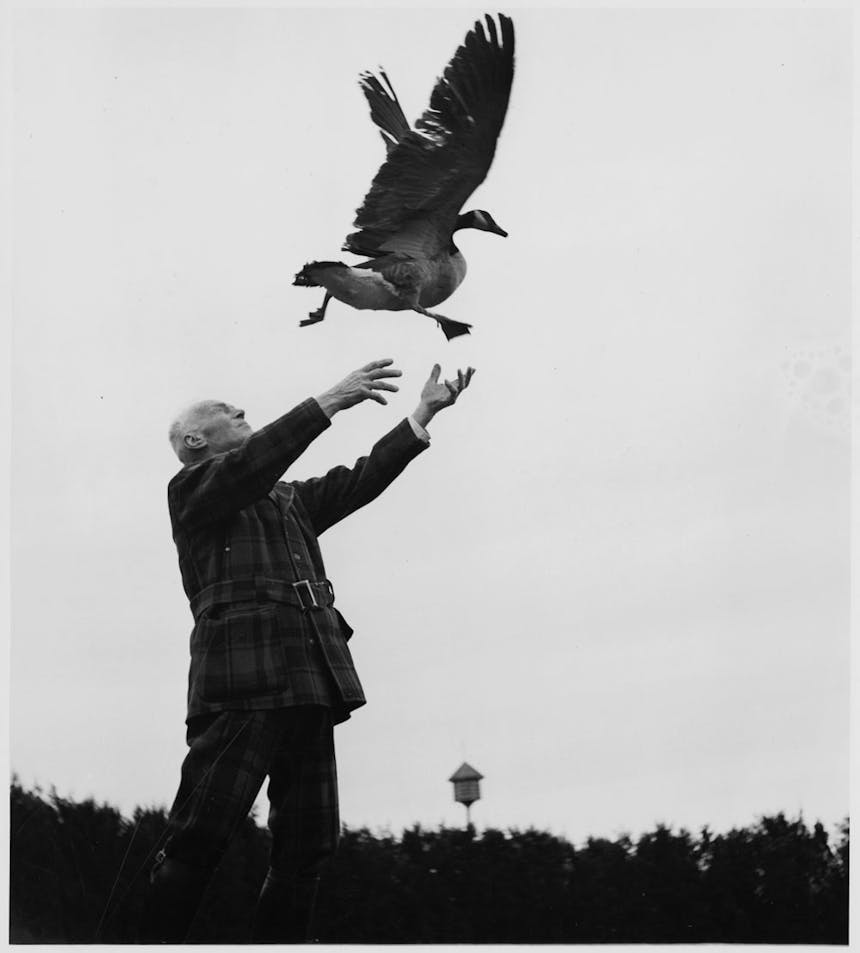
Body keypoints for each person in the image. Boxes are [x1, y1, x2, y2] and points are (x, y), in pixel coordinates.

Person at [140, 358, 475, 944]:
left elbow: (359, 479)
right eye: (229, 412)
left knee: (309, 843)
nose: (244, 414)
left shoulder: (286, 499)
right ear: (196, 439)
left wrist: (423, 413)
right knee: (204, 830)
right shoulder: (193, 488)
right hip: (242, 685)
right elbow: (250, 465)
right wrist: (331, 400)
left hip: (310, 681)